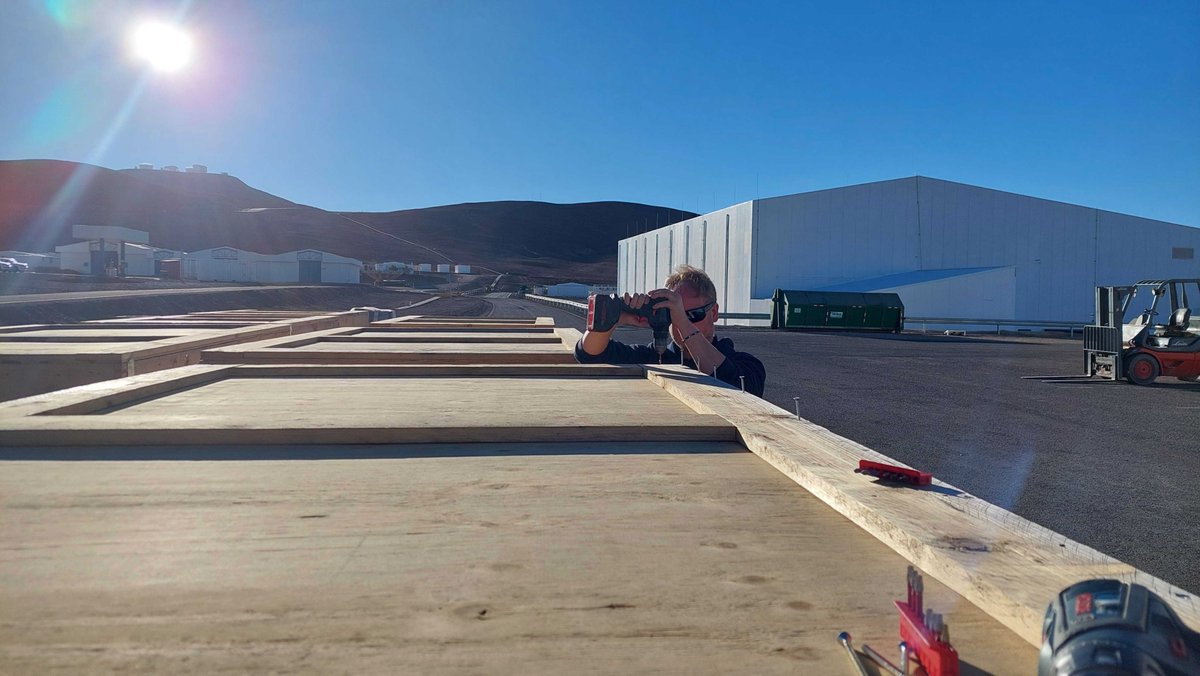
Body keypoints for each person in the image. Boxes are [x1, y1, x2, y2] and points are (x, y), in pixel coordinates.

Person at [574, 265, 766, 397]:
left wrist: (682, 321)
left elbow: (736, 384)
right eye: (671, 315)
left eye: (692, 315)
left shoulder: (747, 366)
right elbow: (589, 355)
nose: (680, 324)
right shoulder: (654, 358)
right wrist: (612, 319)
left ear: (714, 312)